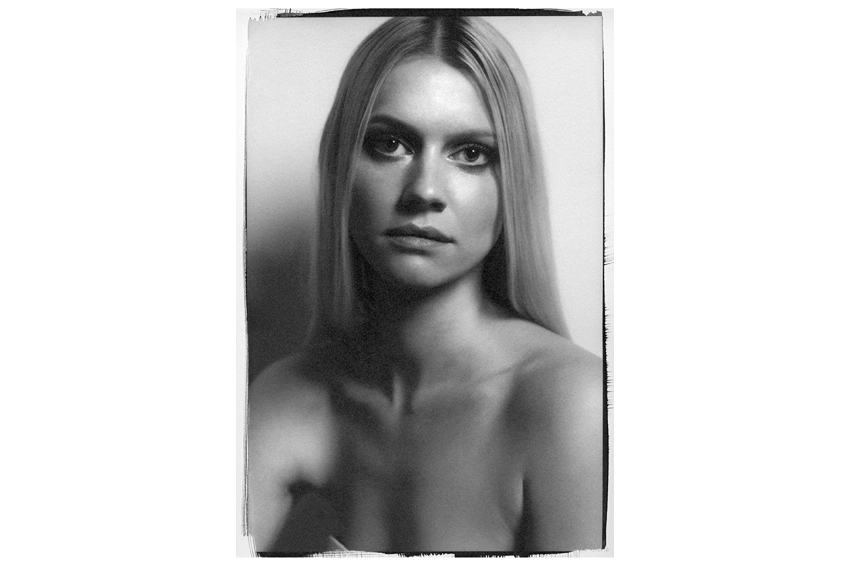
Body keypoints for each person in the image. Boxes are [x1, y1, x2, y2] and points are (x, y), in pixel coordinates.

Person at [247, 15, 603, 554]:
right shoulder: (287, 397)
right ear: (340, 164)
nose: (425, 190)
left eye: (471, 153)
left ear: (514, 183)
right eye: (389, 143)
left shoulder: (572, 404)